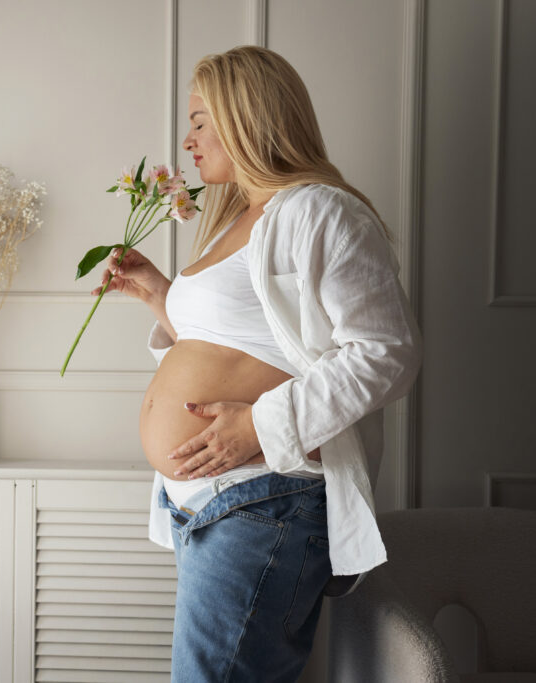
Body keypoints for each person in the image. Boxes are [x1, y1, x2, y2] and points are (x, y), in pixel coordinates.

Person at [91, 46, 422, 682]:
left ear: (247, 118)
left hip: (265, 499)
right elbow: (246, 340)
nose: (186, 139)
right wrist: (160, 295)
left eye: (199, 120)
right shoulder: (239, 219)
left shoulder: (321, 211)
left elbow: (388, 352)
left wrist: (258, 428)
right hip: (211, 503)